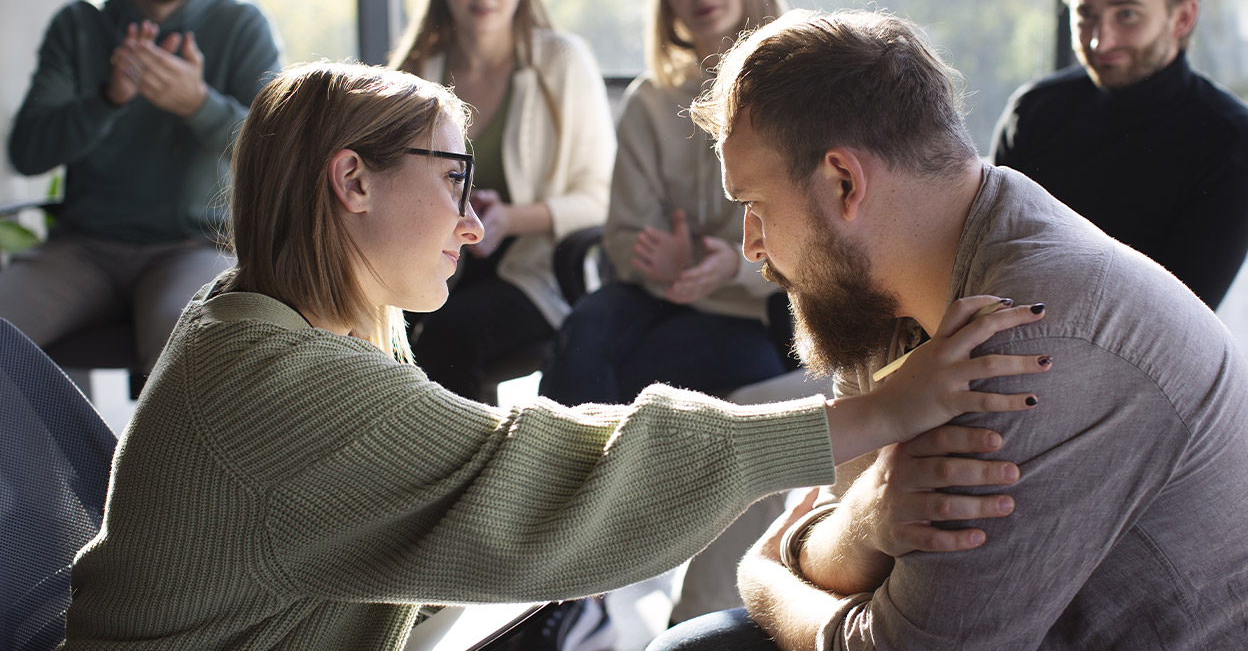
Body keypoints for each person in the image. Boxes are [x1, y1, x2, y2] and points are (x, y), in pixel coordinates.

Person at [58, 60, 1050, 649]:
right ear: (351, 182)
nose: (470, 224)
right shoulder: (273, 383)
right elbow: (537, 479)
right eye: (454, 178)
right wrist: (870, 416)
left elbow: (491, 466)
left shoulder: (273, 322)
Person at [647, 7, 1248, 650]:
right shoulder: (891, 287)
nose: (750, 247)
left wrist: (763, 574)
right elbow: (829, 524)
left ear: (844, 181)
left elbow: (885, 631)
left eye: (754, 205)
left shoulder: (1026, 343)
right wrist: (864, 523)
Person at [2, 0, 282, 372]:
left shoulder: (241, 23)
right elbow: (27, 154)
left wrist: (198, 104)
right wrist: (108, 100)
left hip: (194, 246)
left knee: (192, 361)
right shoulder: (79, 25)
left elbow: (280, 155)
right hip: (81, 248)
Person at [541, 0, 788, 406]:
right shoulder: (650, 101)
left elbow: (819, 228)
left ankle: (597, 477)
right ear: (667, 0)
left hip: (755, 307)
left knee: (627, 375)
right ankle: (555, 477)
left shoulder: (792, 89)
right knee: (580, 338)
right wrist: (664, 260)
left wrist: (731, 266)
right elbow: (621, 234)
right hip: (654, 291)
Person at [990, 0, 1248, 310]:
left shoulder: (1235, 144)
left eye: (1127, 15)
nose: (1099, 42)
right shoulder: (1032, 111)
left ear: (1183, 17)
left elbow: (1177, 318)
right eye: (1085, 14)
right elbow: (987, 264)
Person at [388, 0, 615, 401]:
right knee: (373, 324)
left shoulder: (562, 62)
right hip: (431, 257)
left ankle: (469, 468)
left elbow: (599, 197)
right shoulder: (415, 71)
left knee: (452, 333)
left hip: (534, 269)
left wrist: (509, 218)